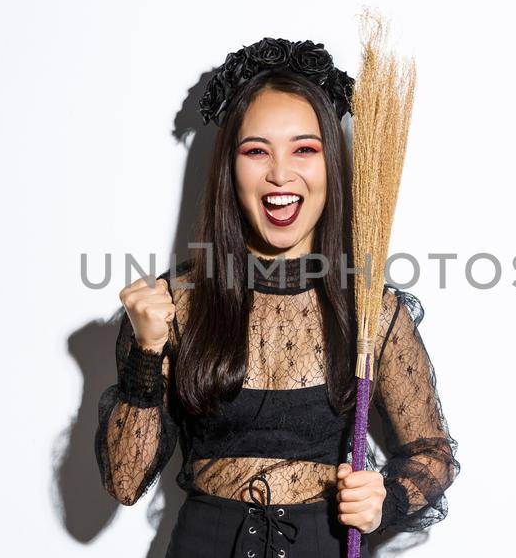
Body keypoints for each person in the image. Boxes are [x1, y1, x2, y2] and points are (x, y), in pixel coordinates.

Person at [95, 37, 459, 558]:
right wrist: (147, 354)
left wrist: (387, 500)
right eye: (257, 150)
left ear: (332, 166)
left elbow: (432, 451)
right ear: (230, 168)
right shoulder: (177, 305)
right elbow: (126, 483)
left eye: (304, 149)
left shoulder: (370, 312)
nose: (281, 174)